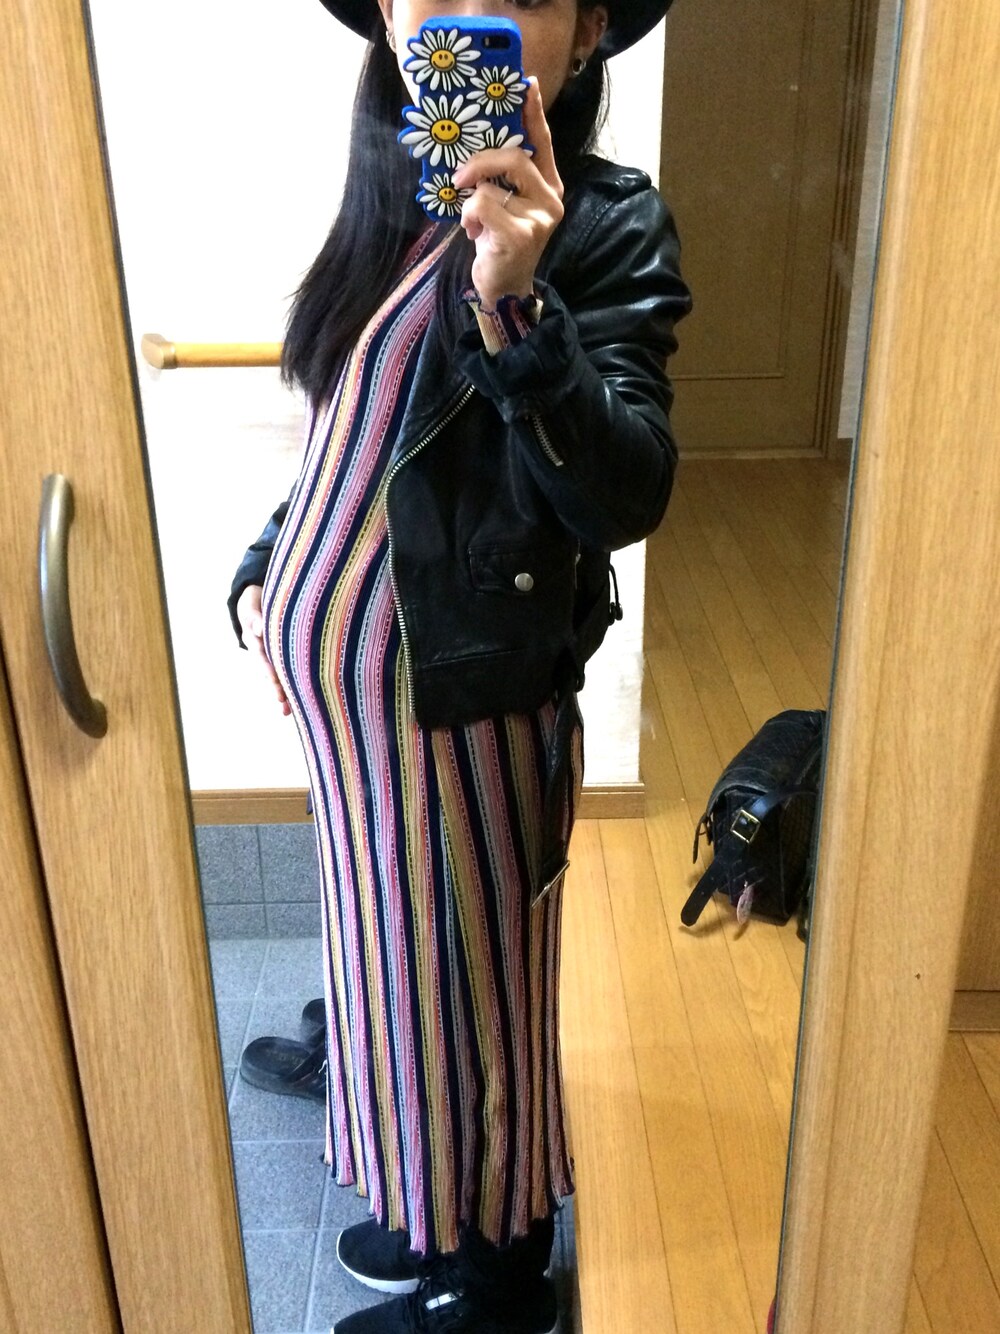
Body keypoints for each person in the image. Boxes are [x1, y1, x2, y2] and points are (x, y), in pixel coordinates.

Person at [228, 0, 691, 1329]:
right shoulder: (387, 197)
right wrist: (271, 558)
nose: (471, 4)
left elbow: (623, 492)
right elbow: (357, 432)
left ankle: (494, 1281)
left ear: (587, 34)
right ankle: (426, 1200)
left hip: (466, 709)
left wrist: (518, 304)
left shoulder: (604, 224)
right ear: (388, 15)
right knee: (392, 971)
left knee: (472, 1002)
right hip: (357, 721)